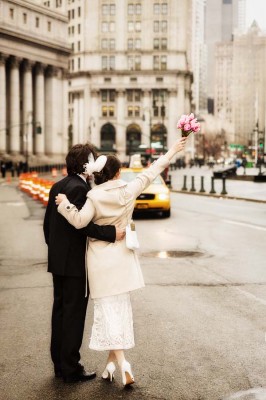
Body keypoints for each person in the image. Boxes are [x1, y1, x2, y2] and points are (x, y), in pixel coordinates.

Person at [55, 136, 187, 386]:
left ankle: (123, 363)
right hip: (123, 260)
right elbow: (153, 170)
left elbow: (80, 222)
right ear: (116, 173)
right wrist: (172, 150)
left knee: (107, 313)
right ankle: (110, 367)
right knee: (118, 311)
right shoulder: (128, 190)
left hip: (99, 263)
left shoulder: (93, 196)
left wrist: (66, 205)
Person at [43, 143, 125, 383]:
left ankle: (60, 364)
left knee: (59, 312)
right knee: (73, 315)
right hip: (74, 264)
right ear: (86, 164)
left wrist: (55, 251)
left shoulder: (58, 185)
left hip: (58, 261)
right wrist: (110, 233)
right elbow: (82, 226)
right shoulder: (80, 188)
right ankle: (70, 366)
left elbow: (48, 226)